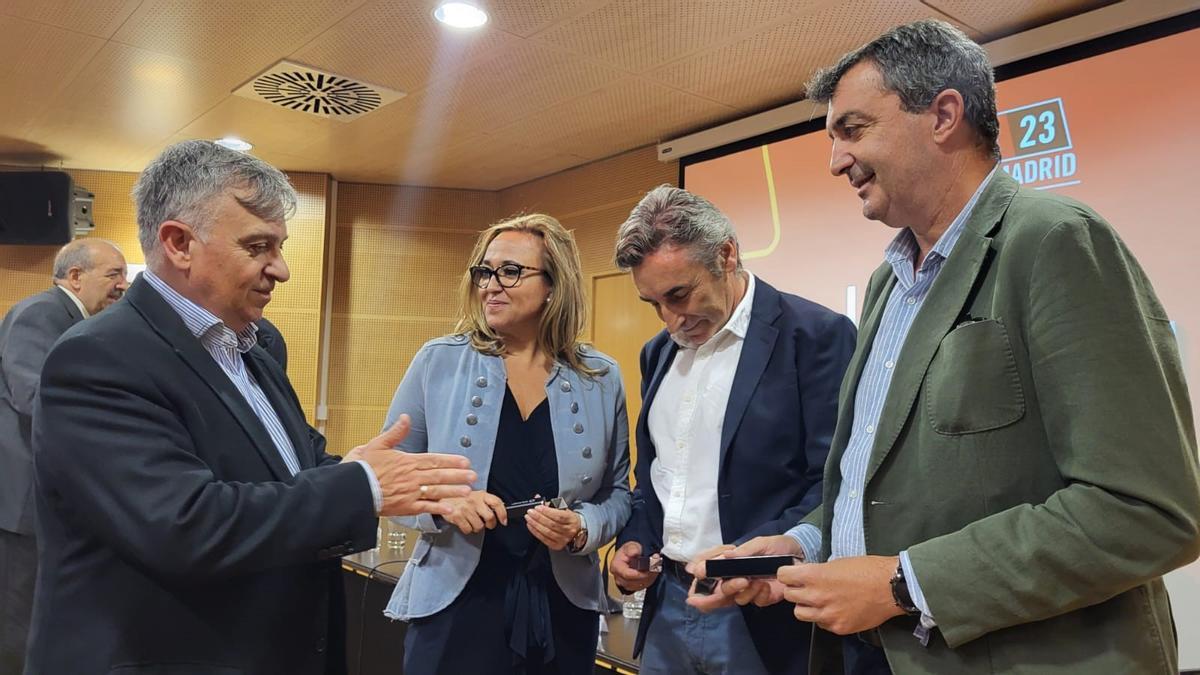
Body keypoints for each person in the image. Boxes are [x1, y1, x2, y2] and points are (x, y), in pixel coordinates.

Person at [709, 19, 1200, 675]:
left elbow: (1147, 510)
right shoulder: (890, 280)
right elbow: (878, 487)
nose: (834, 160)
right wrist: (801, 546)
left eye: (853, 129)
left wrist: (899, 584)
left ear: (943, 115)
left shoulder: (1054, 240)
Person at [26, 140, 477, 675]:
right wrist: (363, 485)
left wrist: (400, 481)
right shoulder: (99, 357)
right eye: (259, 246)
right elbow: (185, 525)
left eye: (279, 247)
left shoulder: (254, 351)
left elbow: (297, 469)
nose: (281, 269)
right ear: (179, 243)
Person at [608, 185, 856, 674]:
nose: (670, 319)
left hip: (765, 610)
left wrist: (748, 556)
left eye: (679, 294)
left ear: (726, 255)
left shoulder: (816, 336)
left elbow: (834, 484)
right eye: (652, 303)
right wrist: (634, 539)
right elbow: (656, 475)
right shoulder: (657, 353)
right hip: (667, 609)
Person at [382, 213, 632, 675]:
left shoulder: (601, 376)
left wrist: (581, 527)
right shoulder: (439, 361)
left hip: (563, 609)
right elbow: (388, 471)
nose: (491, 285)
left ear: (554, 285)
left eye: (511, 271)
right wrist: (444, 505)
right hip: (456, 605)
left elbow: (618, 494)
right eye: (484, 271)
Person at [0, 238, 127, 673]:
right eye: (113, 274)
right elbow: (34, 396)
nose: (123, 286)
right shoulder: (42, 312)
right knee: (17, 622)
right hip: (22, 506)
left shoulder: (75, 321)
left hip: (43, 500)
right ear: (75, 276)